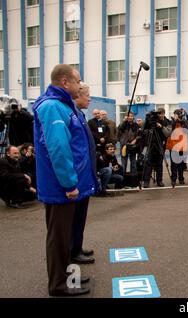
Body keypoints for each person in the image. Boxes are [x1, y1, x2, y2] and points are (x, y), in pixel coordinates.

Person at [33, 64, 98, 296]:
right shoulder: (52, 107)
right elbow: (58, 149)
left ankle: (66, 278)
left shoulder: (62, 106)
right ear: (64, 83)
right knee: (59, 238)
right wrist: (69, 183)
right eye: (77, 81)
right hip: (61, 186)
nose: (80, 86)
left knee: (64, 237)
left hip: (67, 184)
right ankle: (58, 285)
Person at [71, 81, 97, 265]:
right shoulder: (71, 114)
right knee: (74, 218)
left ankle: (77, 248)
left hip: (85, 173)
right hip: (77, 176)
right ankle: (73, 251)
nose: (89, 98)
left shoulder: (79, 114)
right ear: (77, 95)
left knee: (80, 217)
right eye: (87, 95)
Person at [142, 108, 171, 188]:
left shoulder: (166, 121)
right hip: (151, 144)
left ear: (164, 114)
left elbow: (168, 133)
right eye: (159, 114)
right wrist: (147, 119)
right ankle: (146, 181)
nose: (160, 115)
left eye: (162, 114)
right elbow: (144, 129)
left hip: (160, 144)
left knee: (159, 164)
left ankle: (159, 181)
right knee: (148, 163)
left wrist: (161, 126)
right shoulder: (151, 121)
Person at [166, 109, 188, 187]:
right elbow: (170, 131)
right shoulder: (171, 122)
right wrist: (175, 121)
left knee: (181, 164)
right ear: (174, 115)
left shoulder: (184, 122)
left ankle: (181, 178)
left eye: (179, 114)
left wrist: (182, 121)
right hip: (173, 146)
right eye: (176, 114)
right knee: (173, 164)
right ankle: (173, 179)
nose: (178, 116)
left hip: (182, 146)